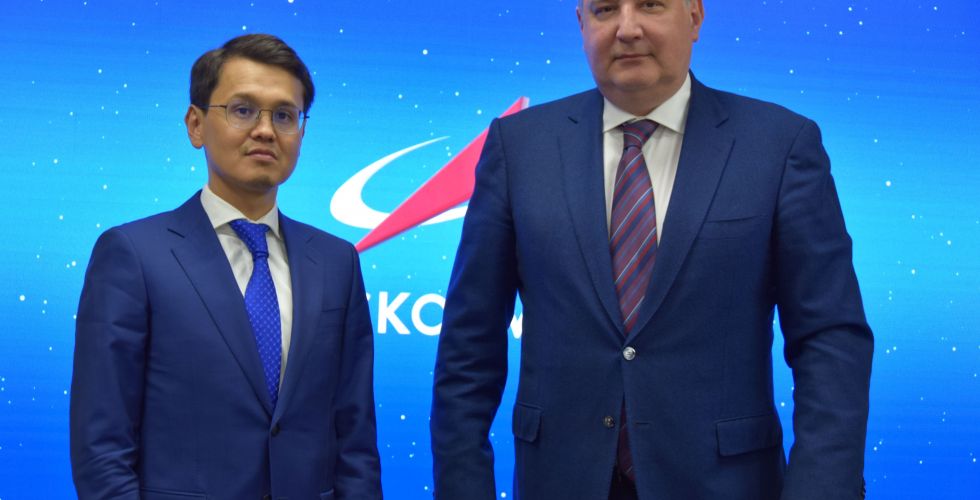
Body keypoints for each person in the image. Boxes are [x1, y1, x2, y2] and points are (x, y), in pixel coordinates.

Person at [430, 1, 873, 499]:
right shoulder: (520, 147)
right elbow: (469, 346)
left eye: (650, 5)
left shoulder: (779, 145)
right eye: (604, 10)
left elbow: (830, 340)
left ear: (695, 16)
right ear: (581, 23)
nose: (627, 28)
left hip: (726, 485)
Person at [70, 34, 382, 500]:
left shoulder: (336, 262)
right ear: (196, 125)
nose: (265, 130)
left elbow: (355, 439)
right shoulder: (134, 254)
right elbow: (102, 447)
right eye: (243, 110)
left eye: (285, 115)